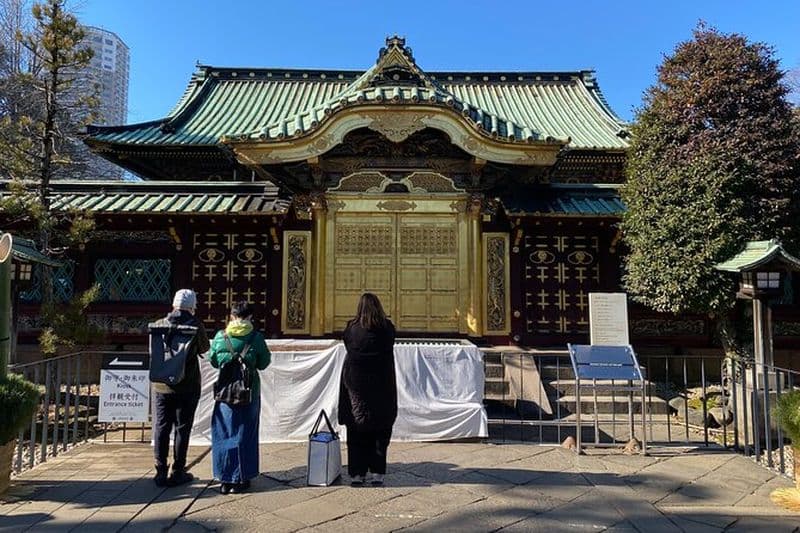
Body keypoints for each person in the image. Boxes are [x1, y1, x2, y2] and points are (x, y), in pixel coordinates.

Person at [209, 301, 271, 494]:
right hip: (249, 390)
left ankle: (225, 478)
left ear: (232, 316)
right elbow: (264, 363)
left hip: (225, 391)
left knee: (223, 432)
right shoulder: (256, 338)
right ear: (250, 317)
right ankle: (242, 477)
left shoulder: (221, 337)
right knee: (246, 433)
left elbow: (213, 360)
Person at [151, 289, 210, 487]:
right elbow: (204, 348)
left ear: (174, 304)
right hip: (187, 383)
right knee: (182, 428)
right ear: (192, 306)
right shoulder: (195, 325)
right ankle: (178, 470)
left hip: (161, 385)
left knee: (161, 426)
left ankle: (160, 470)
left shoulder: (159, 324)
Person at [337, 292, 397, 486]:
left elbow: (346, 344)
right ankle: (377, 472)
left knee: (356, 429)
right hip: (382, 384)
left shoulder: (352, 328)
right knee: (380, 429)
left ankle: (357, 473)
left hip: (356, 385)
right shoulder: (387, 328)